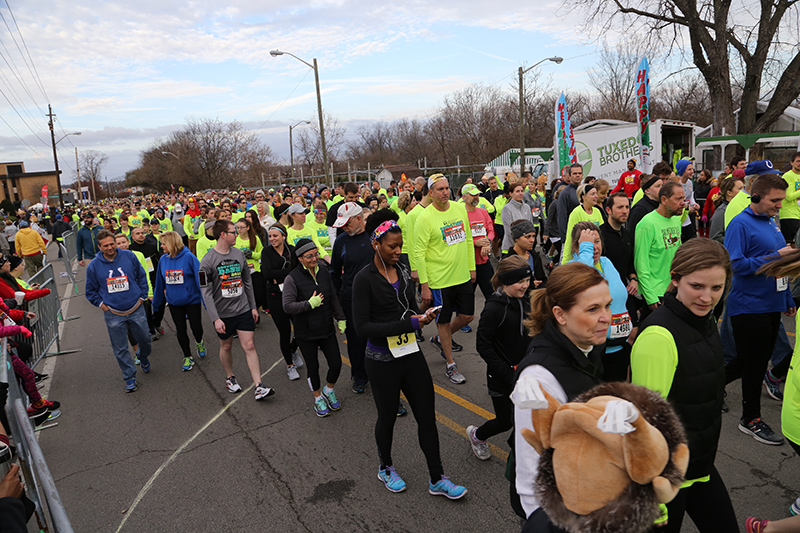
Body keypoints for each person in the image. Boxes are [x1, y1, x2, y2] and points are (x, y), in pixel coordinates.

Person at [352, 209, 467, 499]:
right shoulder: (363, 279)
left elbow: (405, 307)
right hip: (381, 361)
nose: (398, 251)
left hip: (410, 354)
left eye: (400, 246)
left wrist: (422, 315)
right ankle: (386, 466)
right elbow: (362, 327)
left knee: (427, 417)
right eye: (392, 247)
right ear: (376, 244)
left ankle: (437, 478)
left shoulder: (402, 270)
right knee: (387, 417)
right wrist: (410, 323)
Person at [631, 238, 737, 532]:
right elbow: (645, 424)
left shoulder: (703, 321)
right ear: (675, 280)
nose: (707, 297)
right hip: (666, 479)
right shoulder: (658, 337)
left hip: (699, 464)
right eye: (697, 286)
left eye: (717, 288)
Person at [512, 262, 610, 529]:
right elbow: (532, 484)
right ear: (560, 314)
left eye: (607, 306)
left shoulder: (587, 348)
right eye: (593, 309)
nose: (606, 317)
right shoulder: (536, 379)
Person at [725, 173, 794, 445]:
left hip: (771, 304)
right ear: (756, 197)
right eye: (775, 200)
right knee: (753, 364)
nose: (780, 205)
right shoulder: (740, 224)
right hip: (748, 306)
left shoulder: (770, 222)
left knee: (748, 361)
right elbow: (736, 265)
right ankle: (750, 419)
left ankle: (707, 388)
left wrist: (786, 297)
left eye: (781, 200)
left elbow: (779, 268)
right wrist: (777, 255)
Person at [199, 219, 274, 401]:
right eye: (233, 231)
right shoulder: (207, 261)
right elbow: (206, 291)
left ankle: (258, 385)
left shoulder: (239, 254)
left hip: (242, 309)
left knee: (249, 345)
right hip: (223, 314)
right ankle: (230, 377)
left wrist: (253, 306)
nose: (237, 234)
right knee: (226, 345)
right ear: (223, 235)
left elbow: (247, 282)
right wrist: (215, 318)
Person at [466, 256, 531, 460]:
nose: (525, 286)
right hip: (502, 377)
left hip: (525, 374)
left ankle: (521, 454)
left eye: (527, 281)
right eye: (520, 282)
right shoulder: (494, 308)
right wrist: (506, 372)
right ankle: (477, 435)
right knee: (505, 421)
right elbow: (483, 345)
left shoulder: (527, 301)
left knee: (528, 417)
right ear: (505, 281)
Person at [413, 174, 475, 385]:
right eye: (440, 189)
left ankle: (440, 339)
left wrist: (471, 267)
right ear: (430, 193)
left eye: (447, 188)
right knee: (443, 322)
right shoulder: (424, 218)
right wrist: (425, 285)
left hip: (462, 275)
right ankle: (450, 364)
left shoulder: (459, 209)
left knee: (467, 316)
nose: (445, 192)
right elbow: (419, 252)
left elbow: (467, 239)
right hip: (439, 281)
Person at [282, 238, 346, 417]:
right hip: (306, 332)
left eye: (316, 254)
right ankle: (318, 398)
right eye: (309, 256)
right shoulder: (292, 278)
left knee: (336, 364)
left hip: (326, 328)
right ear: (300, 258)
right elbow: (287, 306)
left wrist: (341, 318)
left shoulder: (324, 272)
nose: (314, 259)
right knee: (313, 367)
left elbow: (333, 296)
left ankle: (329, 390)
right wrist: (309, 304)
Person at [85, 229, 152, 393]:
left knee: (145, 339)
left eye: (112, 244)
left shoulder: (129, 256)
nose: (110, 248)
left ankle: (142, 356)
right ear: (99, 247)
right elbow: (90, 291)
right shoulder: (94, 266)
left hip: (135, 307)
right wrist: (102, 304)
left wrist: (143, 296)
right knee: (120, 348)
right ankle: (129, 377)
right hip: (113, 312)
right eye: (106, 245)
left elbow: (141, 276)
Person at [569, 222, 632, 381]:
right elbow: (583, 282)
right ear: (577, 247)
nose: (594, 247)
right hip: (595, 350)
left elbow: (620, 297)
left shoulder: (606, 263)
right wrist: (586, 251)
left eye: (597, 241)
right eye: (588, 243)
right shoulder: (572, 268)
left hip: (620, 345)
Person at [330, 202, 374, 394]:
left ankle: (381, 375)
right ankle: (359, 376)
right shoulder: (341, 241)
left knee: (378, 338)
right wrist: (337, 304)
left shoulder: (374, 237)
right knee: (356, 341)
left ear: (359, 219)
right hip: (351, 299)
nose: (344, 228)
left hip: (376, 298)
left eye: (347, 224)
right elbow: (334, 273)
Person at [152, 231, 206, 372]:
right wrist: (156, 304)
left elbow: (200, 280)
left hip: (192, 300)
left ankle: (199, 342)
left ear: (171, 243)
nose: (162, 246)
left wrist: (207, 303)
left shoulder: (189, 257)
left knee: (197, 328)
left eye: (163, 244)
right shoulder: (163, 260)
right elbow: (159, 283)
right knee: (180, 330)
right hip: (174, 302)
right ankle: (187, 356)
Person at [634, 181, 685, 311]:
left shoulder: (675, 219)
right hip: (655, 294)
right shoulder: (647, 224)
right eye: (678, 199)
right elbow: (641, 263)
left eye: (683, 198)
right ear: (664, 200)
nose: (683, 203)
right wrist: (650, 297)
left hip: (674, 289)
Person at [262, 223, 303, 380]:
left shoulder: (292, 250)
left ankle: (292, 350)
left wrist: (278, 274)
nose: (272, 239)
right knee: (284, 331)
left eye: (275, 236)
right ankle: (290, 366)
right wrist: (287, 273)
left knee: (300, 328)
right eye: (270, 236)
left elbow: (298, 269)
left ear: (283, 236)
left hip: (293, 293)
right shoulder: (267, 252)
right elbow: (266, 273)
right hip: (274, 295)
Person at [461, 183, 495, 300]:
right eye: (473, 195)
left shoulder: (483, 212)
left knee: (492, 296)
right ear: (464, 197)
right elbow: (459, 239)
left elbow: (491, 231)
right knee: (467, 299)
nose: (476, 197)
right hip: (467, 264)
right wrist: (476, 243)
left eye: (478, 195)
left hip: (484, 262)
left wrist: (487, 242)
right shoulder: (460, 215)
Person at [562, 183, 603, 263]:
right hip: (582, 254)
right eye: (592, 194)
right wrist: (565, 260)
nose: (596, 196)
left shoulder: (597, 211)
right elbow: (570, 238)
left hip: (596, 253)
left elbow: (602, 233)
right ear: (584, 197)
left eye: (596, 193)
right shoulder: (576, 213)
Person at [234, 218, 266, 314]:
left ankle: (255, 309)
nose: (239, 230)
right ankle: (252, 315)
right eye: (237, 228)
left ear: (248, 228)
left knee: (259, 295)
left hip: (255, 270)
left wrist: (252, 255)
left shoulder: (255, 238)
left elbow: (261, 253)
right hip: (241, 272)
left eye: (242, 227)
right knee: (246, 296)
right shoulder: (235, 240)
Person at [505, 220, 545, 290]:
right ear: (516, 238)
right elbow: (507, 286)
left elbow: (542, 278)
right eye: (527, 237)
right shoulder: (508, 261)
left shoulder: (535, 256)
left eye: (533, 236)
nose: (532, 240)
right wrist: (531, 285)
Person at [710, 174, 746, 243]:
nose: (743, 191)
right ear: (729, 193)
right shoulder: (721, 211)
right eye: (740, 188)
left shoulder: (742, 206)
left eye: (743, 188)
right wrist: (737, 241)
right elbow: (715, 237)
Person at [501, 181, 533, 253]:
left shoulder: (527, 207)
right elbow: (509, 231)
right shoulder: (507, 208)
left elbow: (530, 227)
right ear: (511, 193)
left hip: (525, 248)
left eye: (522, 191)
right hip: (510, 248)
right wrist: (519, 247)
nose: (521, 193)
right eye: (517, 191)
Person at [556, 163, 583, 242]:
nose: (577, 175)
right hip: (571, 236)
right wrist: (565, 239)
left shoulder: (584, 191)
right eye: (575, 173)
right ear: (569, 176)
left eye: (579, 173)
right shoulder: (565, 193)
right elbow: (562, 217)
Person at [780, 151, 800, 244]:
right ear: (792, 162)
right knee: (792, 245)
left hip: (798, 214)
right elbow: (788, 196)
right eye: (798, 161)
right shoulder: (787, 176)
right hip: (789, 215)